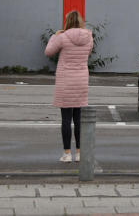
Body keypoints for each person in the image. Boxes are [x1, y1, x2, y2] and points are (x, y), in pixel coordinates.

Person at [44, 10, 93, 163]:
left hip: (66, 80)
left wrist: (55, 36)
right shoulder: (88, 37)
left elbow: (48, 52)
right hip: (81, 80)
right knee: (78, 118)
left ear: (67, 22)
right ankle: (79, 153)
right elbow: (88, 53)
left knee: (66, 119)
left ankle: (67, 154)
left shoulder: (63, 37)